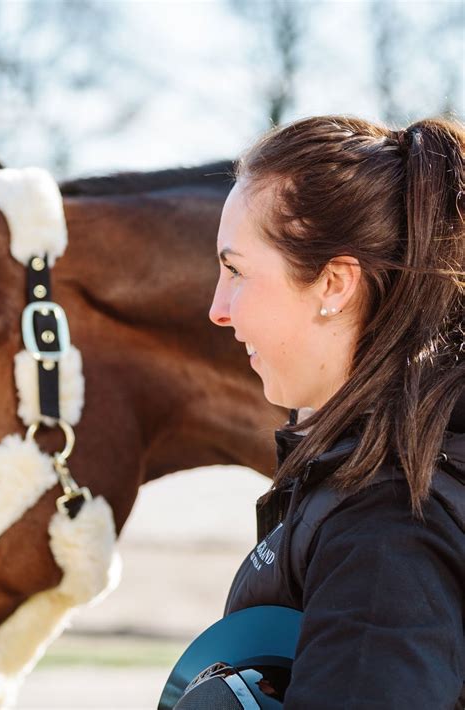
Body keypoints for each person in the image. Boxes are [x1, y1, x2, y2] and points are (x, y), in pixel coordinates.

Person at [208, 115, 464, 709]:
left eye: (235, 269)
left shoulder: (388, 527)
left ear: (334, 284)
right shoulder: (380, 483)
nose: (218, 309)